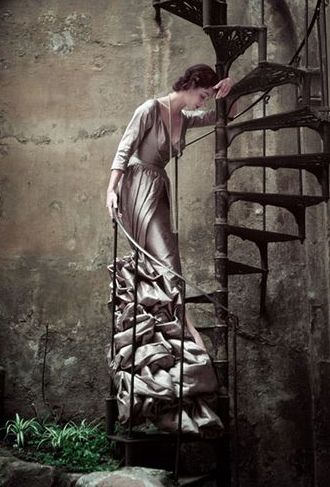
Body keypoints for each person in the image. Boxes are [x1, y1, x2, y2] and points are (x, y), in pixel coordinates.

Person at [106, 64, 234, 435]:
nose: (204, 100)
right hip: (136, 184)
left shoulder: (187, 117)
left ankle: (175, 334)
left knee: (166, 263)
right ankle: (186, 331)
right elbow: (126, 145)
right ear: (192, 85)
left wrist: (230, 90)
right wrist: (111, 188)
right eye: (204, 93)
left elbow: (221, 115)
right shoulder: (151, 108)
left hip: (157, 187)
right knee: (164, 262)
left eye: (208, 96)